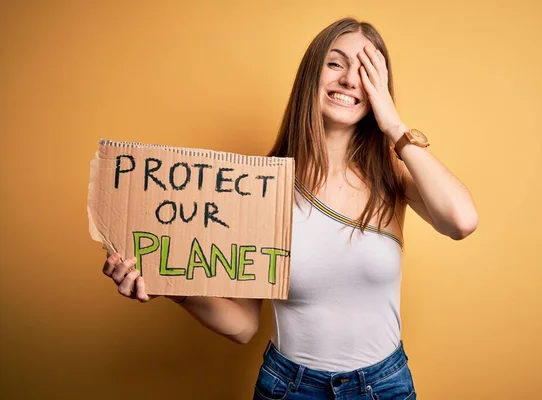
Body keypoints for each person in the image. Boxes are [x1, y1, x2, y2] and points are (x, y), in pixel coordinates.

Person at [102, 17, 478, 399]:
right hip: (291, 389)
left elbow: (461, 221)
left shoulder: (394, 174)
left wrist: (394, 125)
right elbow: (244, 325)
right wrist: (169, 284)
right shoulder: (260, 185)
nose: (350, 79)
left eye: (366, 70)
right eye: (335, 63)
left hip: (385, 387)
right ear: (311, 74)